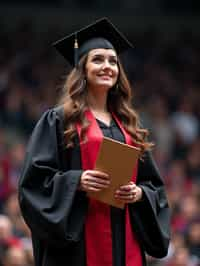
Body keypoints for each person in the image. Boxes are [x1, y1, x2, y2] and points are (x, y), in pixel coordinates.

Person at [18, 18, 170, 266]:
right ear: (82, 69)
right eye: (98, 59)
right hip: (78, 248)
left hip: (125, 242)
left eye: (113, 61)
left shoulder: (130, 127)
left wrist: (140, 193)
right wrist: (76, 181)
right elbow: (33, 184)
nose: (107, 66)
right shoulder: (59, 121)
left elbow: (155, 188)